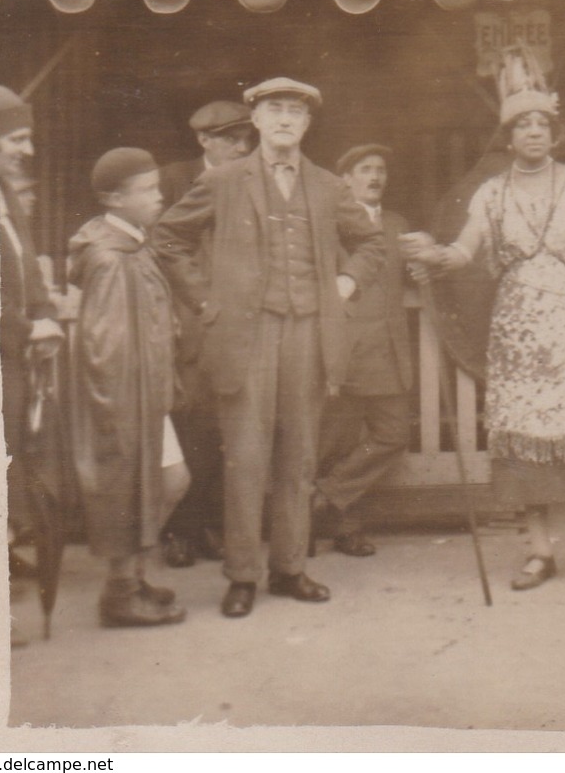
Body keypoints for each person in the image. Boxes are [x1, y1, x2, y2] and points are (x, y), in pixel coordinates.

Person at [406, 45, 565, 592]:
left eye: (543, 124)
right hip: (516, 331)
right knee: (525, 442)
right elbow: (463, 252)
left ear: (556, 133)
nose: (535, 132)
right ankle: (539, 553)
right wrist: (433, 255)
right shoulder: (490, 194)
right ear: (509, 137)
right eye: (524, 125)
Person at [153, 78, 386, 619]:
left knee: (298, 457)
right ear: (255, 121)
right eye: (274, 110)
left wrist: (346, 283)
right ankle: (242, 575)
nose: (284, 120)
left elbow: (372, 242)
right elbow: (168, 237)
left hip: (308, 334)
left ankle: (288, 569)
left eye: (295, 112)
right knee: (247, 459)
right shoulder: (225, 180)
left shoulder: (328, 187)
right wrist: (206, 300)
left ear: (307, 125)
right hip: (246, 337)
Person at [68, 149, 190, 627]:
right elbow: (107, 344)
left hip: (147, 392)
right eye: (148, 191)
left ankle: (131, 577)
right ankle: (120, 593)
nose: (159, 197)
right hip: (125, 399)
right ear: (113, 199)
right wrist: (123, 404)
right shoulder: (111, 259)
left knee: (170, 480)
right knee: (140, 485)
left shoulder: (133, 244)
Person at [158, 99, 255, 569]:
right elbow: (155, 249)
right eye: (232, 138)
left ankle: (210, 525)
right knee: (188, 429)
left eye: (245, 138)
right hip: (186, 327)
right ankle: (179, 531)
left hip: (237, 327)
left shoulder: (253, 181)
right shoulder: (171, 180)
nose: (242, 146)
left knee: (225, 431)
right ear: (204, 140)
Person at [311, 144, 414, 557]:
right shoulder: (332, 225)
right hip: (347, 350)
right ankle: (344, 529)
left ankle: (323, 497)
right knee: (336, 442)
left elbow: (408, 271)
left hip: (389, 350)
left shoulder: (396, 224)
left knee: (392, 435)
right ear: (346, 180)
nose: (375, 177)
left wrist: (423, 261)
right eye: (365, 170)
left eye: (381, 170)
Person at [0, 87, 64, 606]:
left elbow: (27, 274)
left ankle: (1, 555)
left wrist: (42, 314)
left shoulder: (2, 193)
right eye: (16, 138)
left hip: (12, 362)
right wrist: (26, 329)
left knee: (12, 459)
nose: (27, 151)